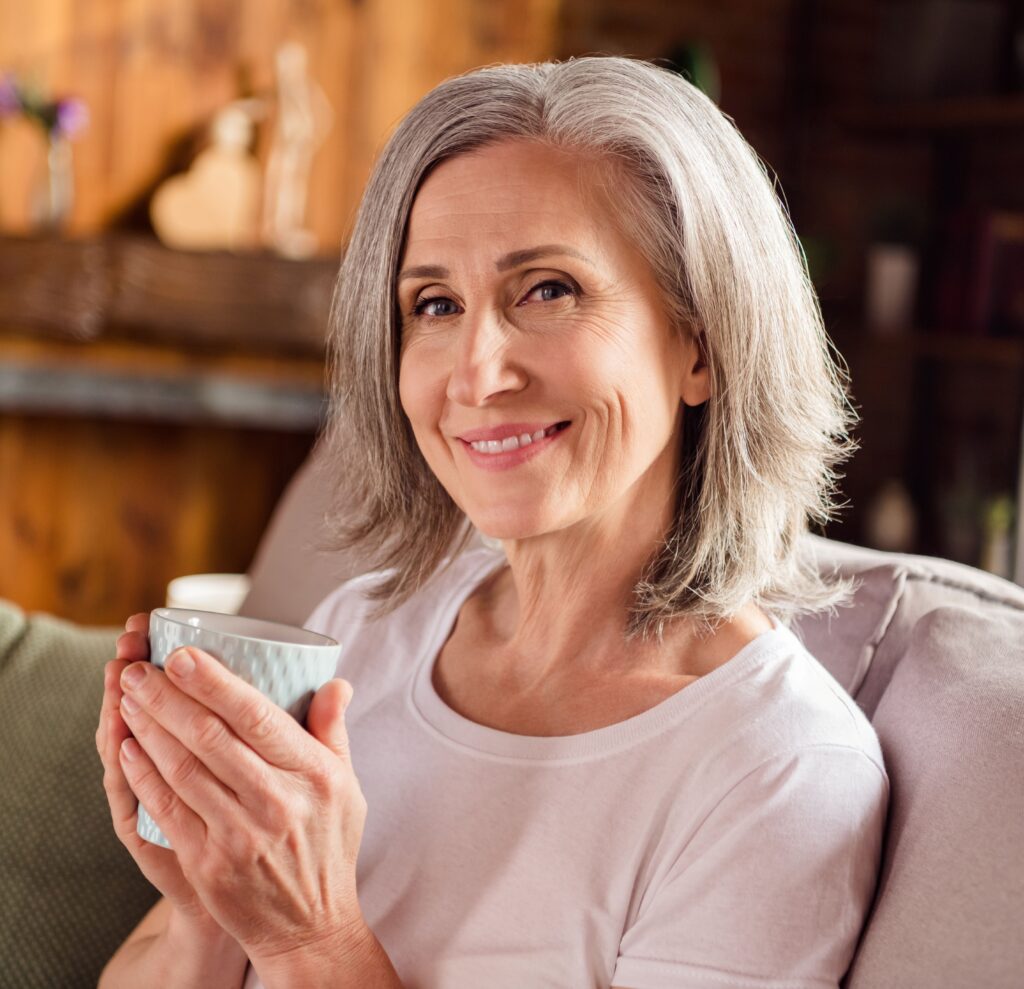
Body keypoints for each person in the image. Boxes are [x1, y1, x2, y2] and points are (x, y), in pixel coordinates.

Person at [97, 55, 889, 988]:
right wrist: (207, 902)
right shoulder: (366, 631)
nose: (475, 373)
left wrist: (311, 942)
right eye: (434, 304)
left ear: (703, 345)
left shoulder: (778, 769)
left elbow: (302, 943)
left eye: (547, 290)